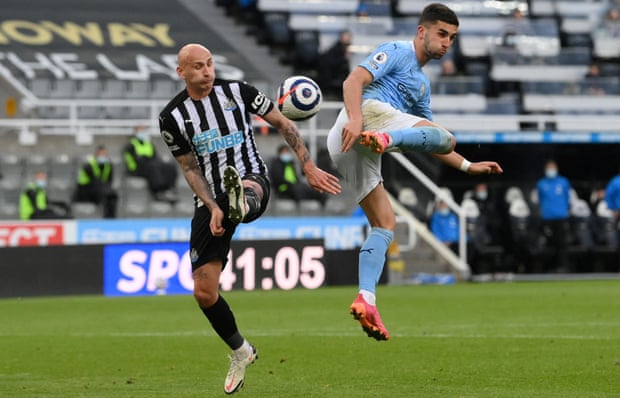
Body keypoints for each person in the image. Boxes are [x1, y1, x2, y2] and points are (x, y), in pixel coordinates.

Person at [158, 43, 340, 394]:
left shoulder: (239, 92)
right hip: (210, 199)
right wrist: (210, 205)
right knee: (204, 291)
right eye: (197, 67)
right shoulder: (172, 117)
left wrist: (308, 165)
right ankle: (241, 351)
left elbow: (283, 122)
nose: (207, 71)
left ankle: (241, 202)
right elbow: (189, 167)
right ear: (182, 72)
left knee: (244, 191)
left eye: (210, 64)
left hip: (252, 177)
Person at [326, 3, 503, 341]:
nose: (447, 42)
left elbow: (432, 141)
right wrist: (357, 120)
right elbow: (354, 80)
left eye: (451, 37)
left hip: (348, 146)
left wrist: (467, 166)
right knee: (446, 135)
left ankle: (367, 299)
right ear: (421, 31)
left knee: (385, 223)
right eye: (441, 33)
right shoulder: (396, 51)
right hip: (362, 120)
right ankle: (386, 138)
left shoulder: (422, 86)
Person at [123, 125, 178, 202]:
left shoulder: (149, 143)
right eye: (140, 131)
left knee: (168, 166)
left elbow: (155, 157)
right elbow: (129, 160)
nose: (142, 133)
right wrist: (133, 170)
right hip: (138, 169)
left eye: (143, 131)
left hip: (150, 165)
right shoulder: (130, 145)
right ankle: (158, 192)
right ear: (135, 133)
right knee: (153, 167)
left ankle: (169, 189)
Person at [536, 160, 572, 272]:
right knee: (549, 243)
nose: (551, 170)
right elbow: (539, 200)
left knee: (561, 243)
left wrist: (566, 210)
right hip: (547, 217)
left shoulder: (563, 182)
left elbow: (567, 198)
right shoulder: (541, 183)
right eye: (549, 168)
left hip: (561, 216)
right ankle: (549, 267)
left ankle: (563, 267)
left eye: (553, 168)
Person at [73, 145, 119, 218]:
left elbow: (110, 180)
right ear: (96, 154)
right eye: (101, 154)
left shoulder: (108, 165)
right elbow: (93, 181)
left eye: (105, 154)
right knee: (105, 195)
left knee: (112, 196)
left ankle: (111, 219)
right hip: (86, 191)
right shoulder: (89, 165)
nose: (103, 156)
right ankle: (105, 217)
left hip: (101, 190)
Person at [317, 30, 352, 100]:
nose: (347, 38)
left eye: (349, 37)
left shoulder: (349, 48)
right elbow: (332, 64)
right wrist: (344, 59)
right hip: (334, 76)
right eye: (346, 36)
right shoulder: (336, 49)